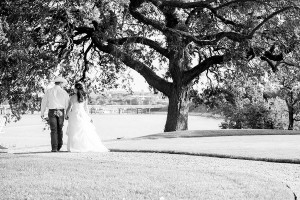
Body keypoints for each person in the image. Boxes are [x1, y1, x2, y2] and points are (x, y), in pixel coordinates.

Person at [65, 82, 109, 152]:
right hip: (82, 114)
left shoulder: (72, 97)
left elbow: (69, 107)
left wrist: (66, 115)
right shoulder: (84, 97)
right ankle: (84, 146)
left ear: (76, 89)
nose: (74, 89)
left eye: (74, 88)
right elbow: (86, 108)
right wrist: (88, 117)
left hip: (74, 114)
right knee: (84, 130)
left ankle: (75, 147)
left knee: (75, 131)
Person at [41, 77, 69, 152]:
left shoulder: (48, 91)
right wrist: (67, 113)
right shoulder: (64, 92)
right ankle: (59, 146)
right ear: (60, 83)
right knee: (60, 129)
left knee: (53, 130)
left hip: (52, 111)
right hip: (61, 111)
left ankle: (54, 148)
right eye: (62, 83)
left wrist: (42, 112)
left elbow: (44, 102)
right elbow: (67, 103)